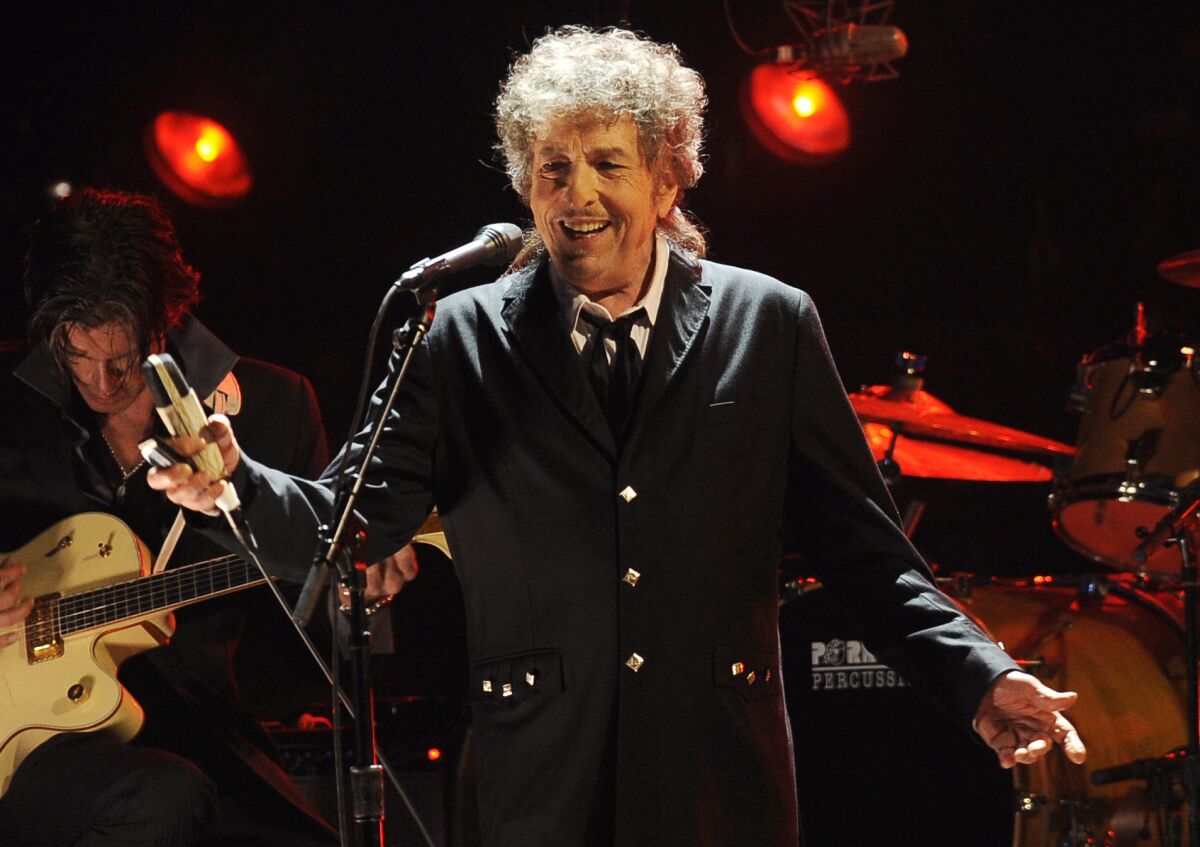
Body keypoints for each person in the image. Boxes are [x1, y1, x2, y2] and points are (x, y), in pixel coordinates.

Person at [151, 26, 1087, 846]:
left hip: (718, 767)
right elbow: (350, 526)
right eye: (552, 167)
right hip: (540, 773)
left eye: (607, 163)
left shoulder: (768, 323)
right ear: (524, 182)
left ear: (671, 175)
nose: (577, 194)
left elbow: (869, 555)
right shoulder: (454, 333)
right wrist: (234, 483)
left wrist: (980, 677)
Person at [0, 188, 338, 846]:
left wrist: (353, 583)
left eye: (121, 360)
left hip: (202, 739)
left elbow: (315, 649)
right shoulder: (7, 398)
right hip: (27, 760)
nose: (99, 382)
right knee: (160, 798)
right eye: (75, 355)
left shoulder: (272, 408)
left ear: (165, 320)